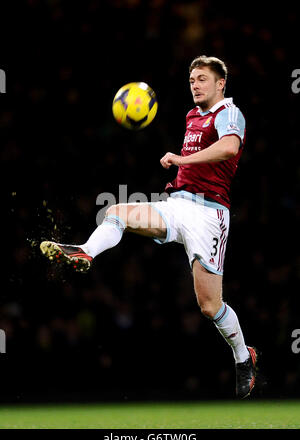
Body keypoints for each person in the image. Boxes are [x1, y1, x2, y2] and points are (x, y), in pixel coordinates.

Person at [40, 55, 257, 399]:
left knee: (209, 306)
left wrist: (180, 159)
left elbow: (230, 147)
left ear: (220, 84)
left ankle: (244, 357)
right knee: (117, 212)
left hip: (209, 215)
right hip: (177, 205)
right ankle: (86, 252)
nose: (195, 85)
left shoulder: (230, 113)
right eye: (192, 80)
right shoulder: (192, 116)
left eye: (202, 79)